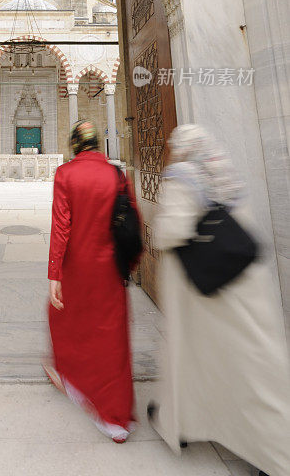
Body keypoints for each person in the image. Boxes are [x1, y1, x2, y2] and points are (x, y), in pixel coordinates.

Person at [149, 124, 290, 476]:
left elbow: (173, 230)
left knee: (223, 362)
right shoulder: (223, 173)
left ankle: (277, 455)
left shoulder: (183, 175)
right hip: (242, 287)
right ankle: (179, 419)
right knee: (225, 361)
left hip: (208, 292)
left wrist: (154, 226)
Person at [45, 119, 139, 443]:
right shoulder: (116, 174)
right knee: (111, 337)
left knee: (65, 319)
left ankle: (72, 378)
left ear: (74, 144)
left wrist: (54, 274)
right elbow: (132, 223)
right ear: (97, 142)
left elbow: (61, 228)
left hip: (77, 267)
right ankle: (117, 419)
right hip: (109, 268)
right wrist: (132, 264)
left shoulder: (66, 174)